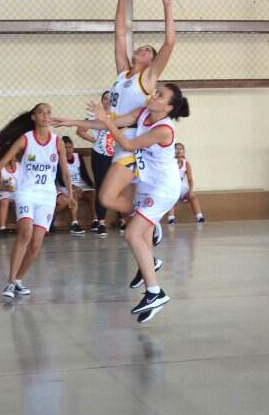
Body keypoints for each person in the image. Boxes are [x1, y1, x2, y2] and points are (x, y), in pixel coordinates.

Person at [65, 83, 190, 323]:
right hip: (146, 184)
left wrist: (107, 120)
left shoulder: (165, 129)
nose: (154, 96)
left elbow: (130, 144)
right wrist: (73, 122)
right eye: (156, 92)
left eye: (160, 96)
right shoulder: (144, 112)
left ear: (169, 107)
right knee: (139, 234)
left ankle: (156, 293)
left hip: (163, 188)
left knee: (132, 234)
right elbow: (109, 124)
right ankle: (151, 269)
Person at [93, 0, 181, 241]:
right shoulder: (123, 74)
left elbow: (169, 43)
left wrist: (167, 6)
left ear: (151, 61)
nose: (139, 49)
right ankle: (148, 228)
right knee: (122, 203)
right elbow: (120, 34)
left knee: (107, 197)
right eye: (140, 47)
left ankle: (149, 220)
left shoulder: (149, 78)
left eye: (145, 50)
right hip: (119, 135)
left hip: (133, 138)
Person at [0, 103, 73, 299]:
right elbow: (2, 161)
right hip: (26, 192)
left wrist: (71, 193)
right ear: (33, 117)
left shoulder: (57, 141)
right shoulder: (26, 139)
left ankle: (18, 280)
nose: (45, 115)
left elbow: (65, 172)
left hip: (47, 196)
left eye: (49, 112)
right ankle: (9, 282)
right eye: (41, 112)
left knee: (36, 244)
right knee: (25, 233)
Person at [78, 89, 116, 234]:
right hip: (100, 154)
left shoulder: (119, 114)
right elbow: (81, 131)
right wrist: (94, 140)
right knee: (101, 186)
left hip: (116, 154)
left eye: (110, 98)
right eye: (105, 98)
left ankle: (123, 220)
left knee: (120, 187)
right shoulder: (95, 115)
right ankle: (101, 222)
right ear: (102, 101)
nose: (108, 100)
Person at [58, 135, 92, 234]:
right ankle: (74, 223)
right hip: (65, 186)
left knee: (93, 194)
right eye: (65, 147)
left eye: (70, 147)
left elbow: (84, 173)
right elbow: (60, 179)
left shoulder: (78, 157)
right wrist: (73, 187)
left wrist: (91, 185)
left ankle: (95, 221)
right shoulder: (58, 158)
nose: (68, 150)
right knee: (73, 195)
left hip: (80, 184)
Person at [166, 142, 206, 224]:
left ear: (183, 151)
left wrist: (190, 191)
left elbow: (190, 179)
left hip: (181, 185)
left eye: (180, 149)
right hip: (171, 185)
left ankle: (199, 217)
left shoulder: (186, 163)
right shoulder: (169, 162)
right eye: (176, 148)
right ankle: (171, 218)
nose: (178, 150)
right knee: (170, 198)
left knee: (193, 197)